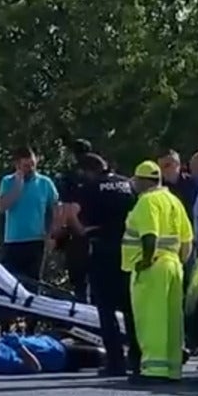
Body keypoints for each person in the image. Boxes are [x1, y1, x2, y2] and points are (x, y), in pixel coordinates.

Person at [62, 152, 139, 375]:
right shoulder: (128, 184)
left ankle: (115, 362)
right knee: (130, 308)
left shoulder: (91, 187)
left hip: (103, 250)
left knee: (106, 310)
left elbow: (78, 223)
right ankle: (136, 357)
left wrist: (77, 227)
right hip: (128, 250)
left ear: (87, 171)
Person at [124, 160, 194, 381]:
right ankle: (172, 368)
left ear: (144, 181)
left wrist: (146, 260)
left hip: (152, 267)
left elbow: (149, 235)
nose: (134, 184)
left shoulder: (147, 201)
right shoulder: (174, 201)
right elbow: (187, 240)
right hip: (174, 265)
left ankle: (153, 369)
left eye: (136, 180)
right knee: (172, 319)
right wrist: (180, 262)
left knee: (151, 319)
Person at [0, 145, 58, 287]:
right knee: (10, 284)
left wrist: (52, 235)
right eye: (26, 166)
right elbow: (2, 207)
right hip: (13, 241)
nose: (30, 168)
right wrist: (18, 186)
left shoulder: (45, 183)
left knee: (33, 283)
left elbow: (54, 210)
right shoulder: (8, 181)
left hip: (36, 241)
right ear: (17, 165)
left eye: (32, 164)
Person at [52, 138, 94, 302]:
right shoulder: (98, 174)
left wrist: (56, 234)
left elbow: (66, 208)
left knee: (79, 284)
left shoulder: (68, 177)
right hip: (99, 233)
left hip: (76, 234)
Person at [0, 332, 103, 374]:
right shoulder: (0, 361)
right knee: (104, 354)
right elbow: (34, 367)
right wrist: (19, 347)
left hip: (52, 341)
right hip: (61, 356)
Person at [157, 149, 198, 214]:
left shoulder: (193, 183)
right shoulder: (159, 189)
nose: (162, 170)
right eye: (159, 167)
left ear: (177, 164)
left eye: (166, 166)